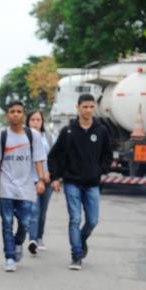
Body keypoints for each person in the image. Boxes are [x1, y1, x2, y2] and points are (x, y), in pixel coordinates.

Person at [48, 94, 112, 270]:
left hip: (92, 183)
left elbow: (108, 154)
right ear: (78, 107)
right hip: (72, 182)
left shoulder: (101, 130)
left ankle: (81, 238)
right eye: (85, 107)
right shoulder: (68, 131)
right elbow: (54, 156)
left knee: (92, 220)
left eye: (91, 107)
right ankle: (76, 255)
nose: (88, 110)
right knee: (75, 219)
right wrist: (55, 177)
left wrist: (100, 170)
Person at [0, 101, 45, 271]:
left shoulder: (33, 136)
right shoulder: (2, 136)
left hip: (26, 188)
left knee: (25, 223)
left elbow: (38, 160)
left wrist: (41, 180)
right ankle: (9, 257)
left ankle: (18, 243)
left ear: (23, 114)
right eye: (12, 111)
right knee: (6, 223)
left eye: (19, 111)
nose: (15, 114)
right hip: (6, 187)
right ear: (8, 114)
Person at [26, 109, 53, 255]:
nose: (35, 123)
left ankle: (39, 237)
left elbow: (54, 157)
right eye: (32, 120)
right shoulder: (24, 136)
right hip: (32, 179)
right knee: (34, 210)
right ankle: (32, 240)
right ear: (28, 121)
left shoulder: (48, 136)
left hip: (48, 178)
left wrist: (53, 176)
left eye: (38, 120)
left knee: (43, 211)